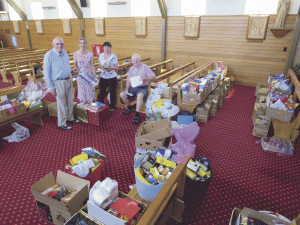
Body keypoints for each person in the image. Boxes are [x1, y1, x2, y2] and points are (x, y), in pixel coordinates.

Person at [43, 37, 79, 130]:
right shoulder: (49, 55)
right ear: (53, 44)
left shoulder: (65, 52)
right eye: (57, 44)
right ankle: (62, 123)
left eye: (61, 44)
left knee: (70, 101)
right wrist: (51, 87)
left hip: (68, 80)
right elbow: (46, 73)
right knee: (62, 103)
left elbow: (66, 66)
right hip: (58, 82)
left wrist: (72, 71)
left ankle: (70, 118)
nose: (60, 46)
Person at [120, 54, 156, 125]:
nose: (135, 61)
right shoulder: (131, 68)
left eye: (137, 59)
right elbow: (128, 81)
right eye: (134, 60)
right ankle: (129, 108)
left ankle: (137, 115)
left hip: (143, 88)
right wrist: (127, 90)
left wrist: (145, 78)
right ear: (132, 61)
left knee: (139, 95)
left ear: (140, 60)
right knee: (122, 94)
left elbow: (153, 77)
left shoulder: (144, 67)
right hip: (133, 87)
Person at [74, 38, 96, 104]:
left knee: (89, 90)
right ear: (79, 44)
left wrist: (94, 75)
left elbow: (92, 65)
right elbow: (75, 65)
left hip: (89, 75)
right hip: (81, 75)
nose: (82, 44)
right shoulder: (76, 53)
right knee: (82, 90)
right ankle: (83, 104)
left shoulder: (90, 54)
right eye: (81, 43)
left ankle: (90, 104)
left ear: (86, 44)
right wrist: (77, 70)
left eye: (84, 43)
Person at [98, 41, 119, 112]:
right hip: (103, 76)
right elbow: (99, 65)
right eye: (105, 47)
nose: (106, 48)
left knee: (112, 92)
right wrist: (103, 68)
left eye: (108, 47)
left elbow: (117, 67)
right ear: (103, 48)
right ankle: (101, 105)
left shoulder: (114, 56)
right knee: (102, 92)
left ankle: (112, 106)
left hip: (112, 77)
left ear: (110, 48)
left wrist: (111, 68)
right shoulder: (101, 55)